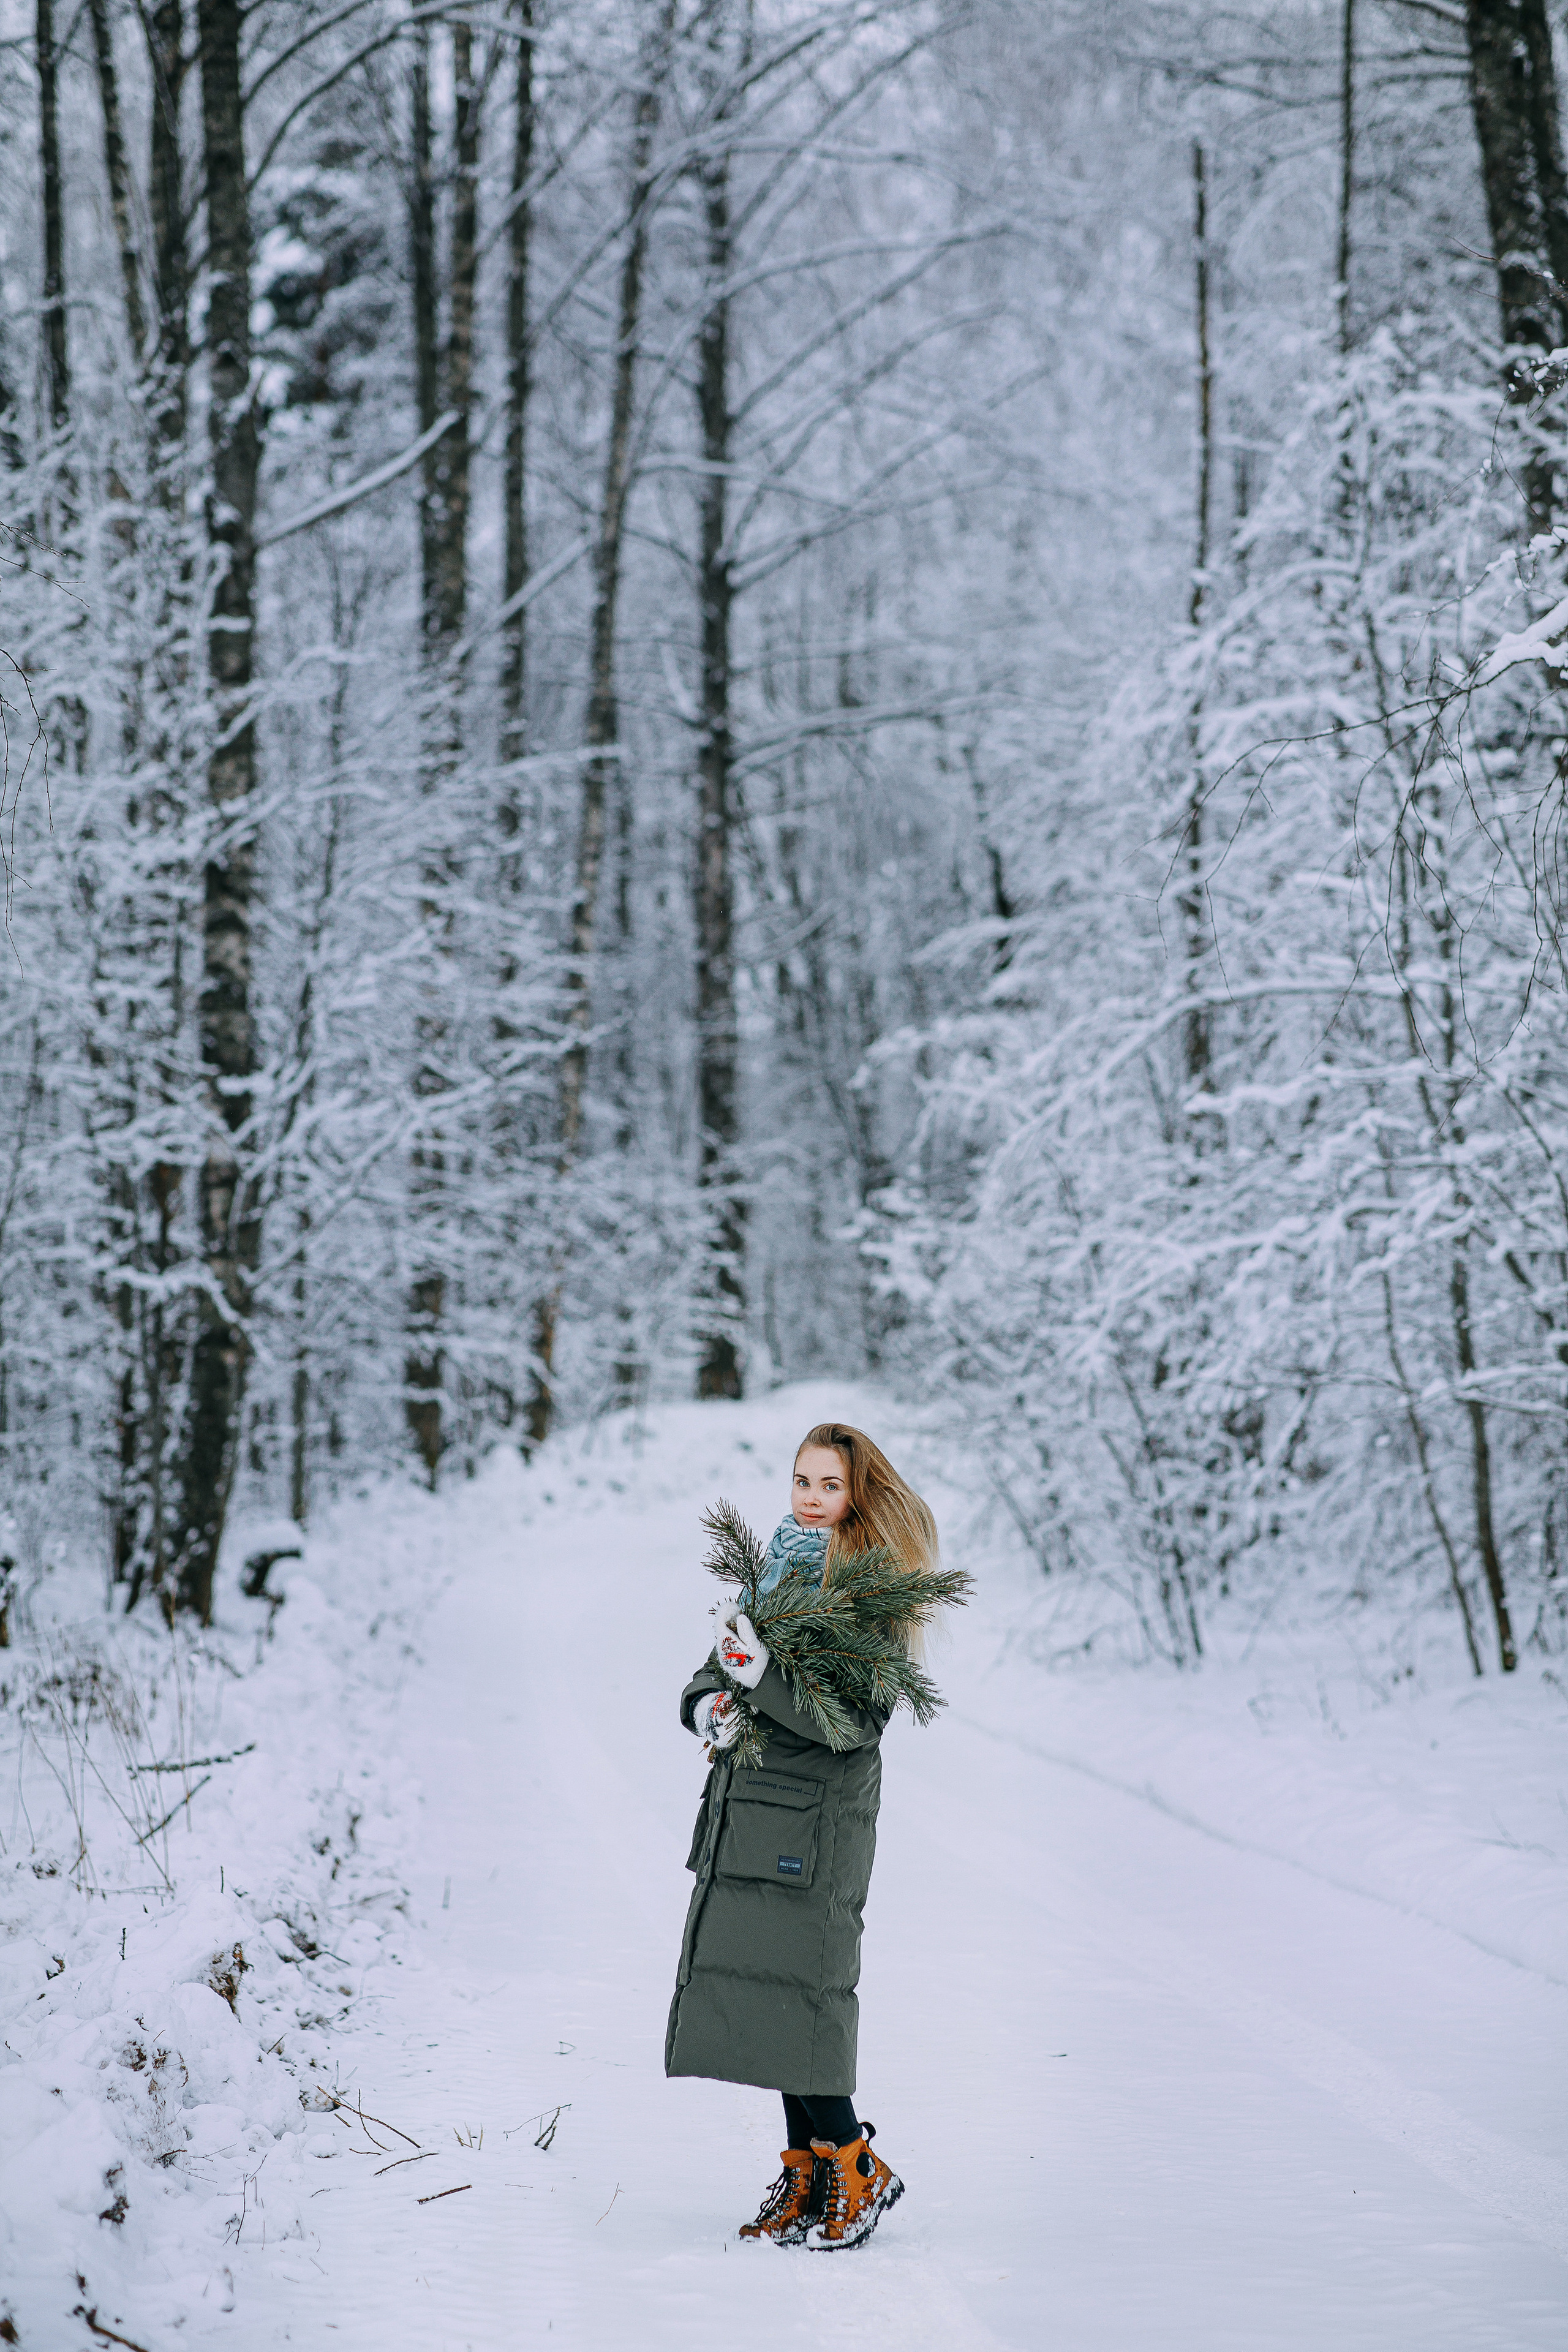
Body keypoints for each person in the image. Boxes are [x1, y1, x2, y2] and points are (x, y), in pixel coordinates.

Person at [664, 1421, 941, 2250]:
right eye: (801, 1482)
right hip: (749, 1809)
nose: (812, 1500)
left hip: (817, 1823)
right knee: (774, 2001)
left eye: (829, 1485)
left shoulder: (873, 1592)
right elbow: (717, 1664)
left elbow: (852, 1721)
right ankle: (811, 2173)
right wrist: (710, 1701)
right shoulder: (775, 1571)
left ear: (859, 1494)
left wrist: (759, 1678)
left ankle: (858, 2166)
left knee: (809, 1997)